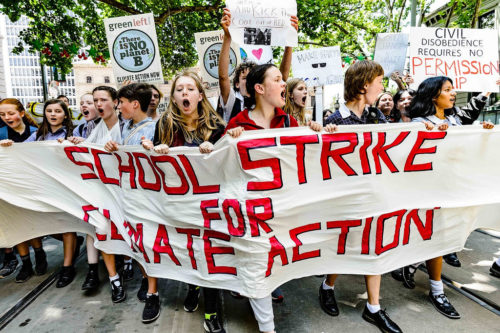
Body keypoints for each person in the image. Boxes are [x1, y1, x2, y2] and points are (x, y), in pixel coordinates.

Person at [225, 63, 336, 333]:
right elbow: (222, 168)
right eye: (278, 79)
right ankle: (267, 328)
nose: (283, 84)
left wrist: (317, 133)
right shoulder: (238, 123)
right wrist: (227, 141)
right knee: (256, 265)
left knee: (271, 265)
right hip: (252, 212)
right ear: (259, 89)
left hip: (282, 209)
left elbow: (303, 160)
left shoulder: (288, 122)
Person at [142, 69, 226, 332]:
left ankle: (212, 312)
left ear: (200, 95)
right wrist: (155, 150)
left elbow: (229, 164)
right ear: (174, 97)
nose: (185, 93)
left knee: (210, 255)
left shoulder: (218, 127)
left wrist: (218, 148)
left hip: (210, 204)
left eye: (190, 89)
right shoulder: (164, 125)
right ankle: (193, 286)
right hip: (178, 203)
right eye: (180, 90)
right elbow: (156, 167)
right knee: (189, 252)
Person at [324, 60, 402, 333]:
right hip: (345, 197)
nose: (383, 87)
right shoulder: (334, 121)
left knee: (374, 245)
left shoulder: (375, 117)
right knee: (344, 243)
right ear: (364, 84)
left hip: (373, 194)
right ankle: (328, 285)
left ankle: (373, 307)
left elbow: (398, 140)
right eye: (379, 81)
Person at [408, 76, 494, 319]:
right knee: (439, 238)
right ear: (434, 95)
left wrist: (482, 133)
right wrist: (435, 137)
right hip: (432, 190)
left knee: (446, 236)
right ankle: (437, 290)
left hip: (455, 188)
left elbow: (468, 141)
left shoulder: (455, 120)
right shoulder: (419, 122)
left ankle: (412, 265)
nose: (453, 93)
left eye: (453, 89)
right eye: (447, 90)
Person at [104, 83, 158, 323]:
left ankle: (153, 290)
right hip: (126, 195)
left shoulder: (155, 128)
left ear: (135, 104)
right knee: (136, 242)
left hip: (146, 197)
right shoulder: (125, 126)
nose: (119, 106)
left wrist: (152, 150)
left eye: (122, 102)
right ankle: (147, 279)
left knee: (147, 242)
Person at [11, 99, 78, 287]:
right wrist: (9, 146)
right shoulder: (39, 135)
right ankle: (47, 255)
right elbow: (21, 151)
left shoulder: (72, 134)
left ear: (65, 114)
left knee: (67, 225)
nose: (53, 114)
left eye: (58, 110)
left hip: (63, 188)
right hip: (41, 187)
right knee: (42, 223)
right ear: (45, 114)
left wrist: (69, 145)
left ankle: (67, 267)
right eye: (49, 110)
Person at [73, 86, 126, 303]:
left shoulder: (127, 126)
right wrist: (74, 145)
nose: (97, 104)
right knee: (101, 229)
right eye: (95, 100)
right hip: (102, 191)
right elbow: (88, 150)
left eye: (103, 99)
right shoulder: (97, 128)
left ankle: (132, 266)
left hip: (124, 192)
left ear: (115, 102)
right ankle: (114, 279)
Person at [218, 8, 298, 123]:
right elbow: (223, 77)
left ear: (259, 86)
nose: (249, 81)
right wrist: (227, 37)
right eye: (245, 78)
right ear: (236, 84)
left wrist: (289, 41)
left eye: (253, 78)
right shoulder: (232, 101)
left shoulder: (267, 100)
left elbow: (282, 77)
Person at [0, 98, 44, 280]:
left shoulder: (37, 133)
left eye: (11, 113)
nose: (7, 117)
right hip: (9, 188)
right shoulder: (0, 133)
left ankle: (40, 255)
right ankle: (25, 263)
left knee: (31, 223)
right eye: (2, 114)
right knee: (17, 225)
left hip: (31, 186)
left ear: (22, 113)